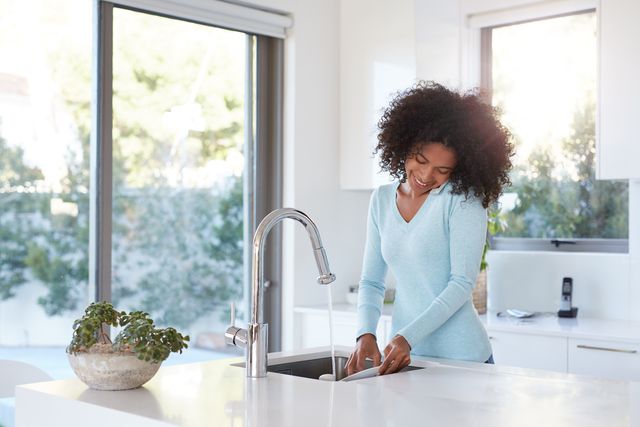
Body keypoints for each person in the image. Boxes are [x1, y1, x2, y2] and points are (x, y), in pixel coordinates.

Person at [345, 81, 514, 376]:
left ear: (460, 169)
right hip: (407, 359)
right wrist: (365, 333)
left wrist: (405, 337)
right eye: (420, 160)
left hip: (463, 361)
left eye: (442, 170)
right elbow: (372, 281)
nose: (425, 175)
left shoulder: (463, 200)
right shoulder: (382, 199)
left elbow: (461, 283)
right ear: (404, 145)